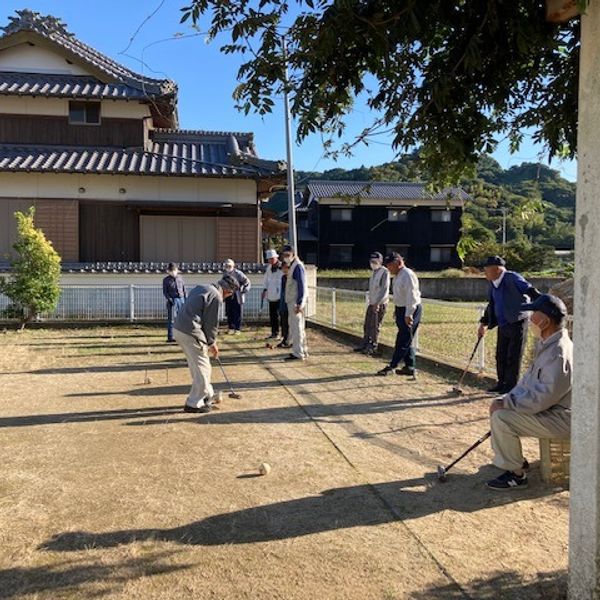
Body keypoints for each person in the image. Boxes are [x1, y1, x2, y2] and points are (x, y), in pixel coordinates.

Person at [486, 294, 571, 490]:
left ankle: (517, 475)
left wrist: (507, 405)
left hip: (560, 418)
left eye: (534, 313)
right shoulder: (547, 344)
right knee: (500, 409)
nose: (530, 317)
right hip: (550, 411)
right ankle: (516, 461)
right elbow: (528, 382)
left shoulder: (558, 352)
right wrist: (507, 398)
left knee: (502, 418)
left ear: (545, 320)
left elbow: (544, 397)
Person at [173, 274, 240, 413]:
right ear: (228, 291)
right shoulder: (216, 296)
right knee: (204, 368)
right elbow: (211, 323)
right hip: (191, 331)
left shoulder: (203, 287)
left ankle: (208, 395)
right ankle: (194, 403)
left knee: (196, 365)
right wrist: (212, 343)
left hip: (179, 328)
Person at [478, 256, 541, 394]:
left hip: (517, 321)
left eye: (486, 269)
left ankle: (511, 387)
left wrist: (542, 304)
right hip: (503, 323)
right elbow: (492, 304)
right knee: (500, 355)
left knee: (513, 356)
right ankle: (501, 383)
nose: (485, 273)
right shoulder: (493, 283)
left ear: (497, 269)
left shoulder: (512, 277)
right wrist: (484, 323)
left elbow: (529, 290)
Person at [377, 252, 421, 377]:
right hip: (402, 308)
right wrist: (397, 311)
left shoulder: (407, 275)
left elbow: (411, 296)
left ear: (398, 263)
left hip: (411, 309)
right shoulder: (397, 276)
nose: (388, 268)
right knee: (406, 338)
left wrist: (409, 314)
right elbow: (399, 295)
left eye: (390, 265)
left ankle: (393, 365)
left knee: (403, 338)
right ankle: (410, 366)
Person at [354, 252, 390, 356]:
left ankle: (373, 347)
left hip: (380, 303)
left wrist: (377, 303)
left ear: (381, 261)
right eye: (372, 261)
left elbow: (384, 289)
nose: (373, 263)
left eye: (375, 261)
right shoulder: (373, 272)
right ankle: (365, 344)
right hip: (372, 302)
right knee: (367, 324)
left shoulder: (384, 272)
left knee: (375, 326)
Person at [281, 245, 308, 360]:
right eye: (284, 255)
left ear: (293, 254)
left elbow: (302, 286)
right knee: (297, 327)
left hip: (295, 302)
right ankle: (302, 350)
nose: (286, 258)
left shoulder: (297, 267)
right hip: (293, 301)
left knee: (297, 328)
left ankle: (298, 353)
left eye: (288, 255)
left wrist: (299, 303)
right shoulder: (293, 266)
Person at [223, 259, 251, 334]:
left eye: (229, 266)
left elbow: (247, 282)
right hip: (228, 294)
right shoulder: (225, 274)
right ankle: (231, 328)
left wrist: (243, 290)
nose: (228, 267)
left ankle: (237, 329)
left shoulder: (238, 273)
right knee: (229, 311)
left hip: (237, 295)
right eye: (226, 266)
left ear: (233, 266)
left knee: (237, 312)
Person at [262, 249, 284, 340]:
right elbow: (266, 280)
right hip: (271, 295)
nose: (271, 260)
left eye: (272, 258)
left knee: (282, 316)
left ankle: (284, 334)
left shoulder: (282, 267)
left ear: (276, 257)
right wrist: (264, 290)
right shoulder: (269, 268)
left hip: (280, 296)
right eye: (269, 259)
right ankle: (274, 333)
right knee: (273, 316)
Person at [162, 262, 186, 343]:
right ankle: (170, 337)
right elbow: (165, 292)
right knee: (171, 320)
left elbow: (183, 289)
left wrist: (185, 299)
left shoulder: (180, 278)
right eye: (171, 270)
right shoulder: (166, 280)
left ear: (176, 270)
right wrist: (170, 299)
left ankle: (182, 336)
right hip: (172, 300)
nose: (172, 272)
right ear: (168, 271)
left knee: (182, 319)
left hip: (181, 299)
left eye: (174, 270)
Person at [277, 262, 291, 348]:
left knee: (289, 323)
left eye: (286, 268)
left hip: (289, 302)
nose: (284, 270)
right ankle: (284, 339)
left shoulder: (291, 278)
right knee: (283, 321)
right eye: (282, 268)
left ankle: (288, 340)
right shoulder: (283, 277)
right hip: (283, 302)